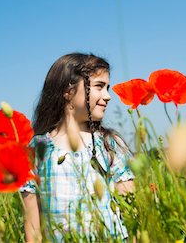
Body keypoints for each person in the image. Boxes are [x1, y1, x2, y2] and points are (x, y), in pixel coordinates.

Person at [20, 53, 135, 242]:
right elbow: (33, 228)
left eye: (107, 88)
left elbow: (132, 212)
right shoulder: (37, 150)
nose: (108, 96)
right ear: (68, 91)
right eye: (99, 86)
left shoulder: (109, 144)